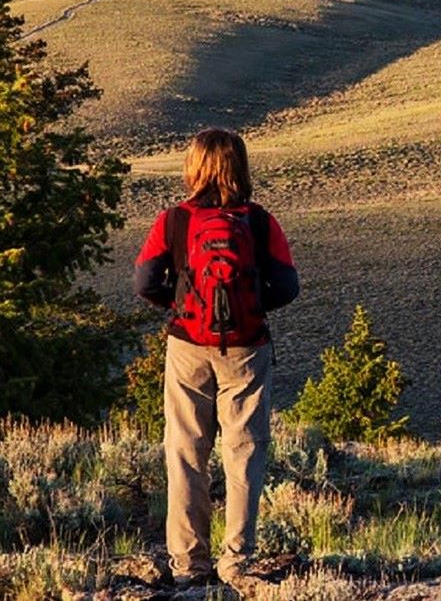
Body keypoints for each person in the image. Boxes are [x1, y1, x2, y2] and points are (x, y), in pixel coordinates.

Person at [134, 127, 299, 588]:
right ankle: (237, 561)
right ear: (240, 166)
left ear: (194, 167)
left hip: (187, 345)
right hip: (247, 348)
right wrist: (250, 306)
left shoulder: (174, 221)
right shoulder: (260, 222)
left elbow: (144, 282)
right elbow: (287, 287)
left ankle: (189, 565)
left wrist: (183, 304)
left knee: (186, 451)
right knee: (244, 451)